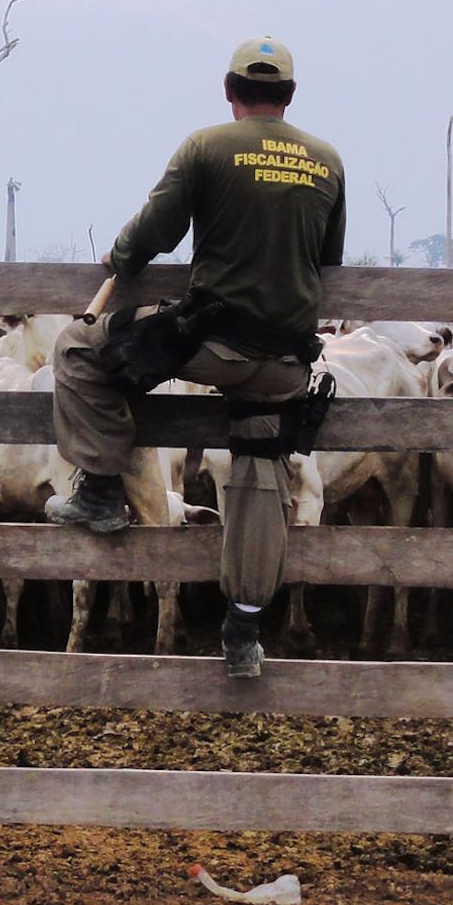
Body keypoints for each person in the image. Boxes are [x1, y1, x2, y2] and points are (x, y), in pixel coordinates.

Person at [45, 36, 346, 678]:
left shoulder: (206, 146)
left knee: (77, 346)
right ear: (289, 97)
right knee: (261, 467)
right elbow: (329, 262)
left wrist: (121, 256)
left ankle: (99, 488)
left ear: (229, 90)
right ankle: (243, 631)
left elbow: (156, 230)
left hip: (210, 344)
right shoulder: (327, 162)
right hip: (286, 364)